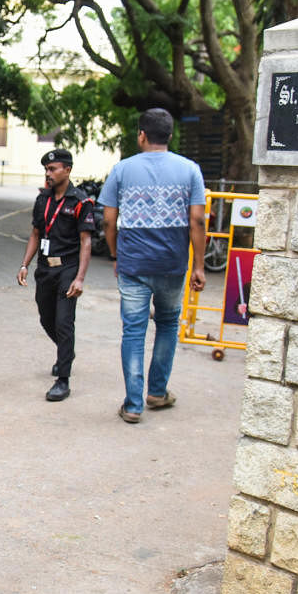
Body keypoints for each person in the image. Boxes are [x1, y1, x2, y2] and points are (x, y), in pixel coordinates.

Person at [98, 108, 207, 424]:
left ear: (141, 135)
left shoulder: (122, 169)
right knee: (169, 323)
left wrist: (117, 255)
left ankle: (133, 405)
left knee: (133, 330)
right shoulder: (190, 170)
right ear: (170, 136)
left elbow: (108, 220)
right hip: (172, 262)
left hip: (133, 262)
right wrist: (199, 266)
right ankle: (157, 392)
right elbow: (197, 219)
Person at [16, 148, 94, 402]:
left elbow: (85, 241)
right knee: (46, 318)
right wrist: (24, 264)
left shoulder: (80, 202)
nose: (48, 174)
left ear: (67, 170)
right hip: (45, 269)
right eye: (46, 170)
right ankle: (66, 352)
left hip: (68, 269)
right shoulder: (43, 200)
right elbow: (36, 234)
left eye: (53, 169)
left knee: (63, 321)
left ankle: (63, 378)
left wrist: (79, 277)